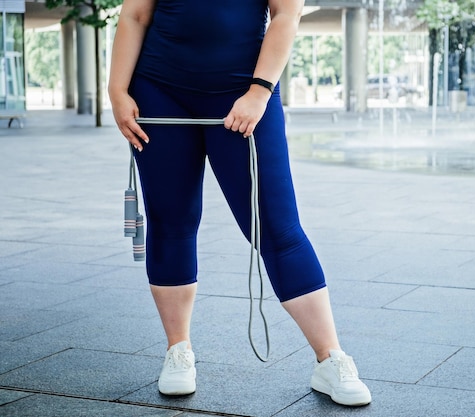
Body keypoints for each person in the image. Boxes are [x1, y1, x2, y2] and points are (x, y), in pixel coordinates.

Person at [108, 0, 371, 407]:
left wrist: (259, 91)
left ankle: (330, 358)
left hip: (244, 93)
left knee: (278, 229)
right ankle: (178, 351)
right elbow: (136, 14)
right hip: (158, 93)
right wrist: (117, 90)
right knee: (170, 222)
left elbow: (286, 14)